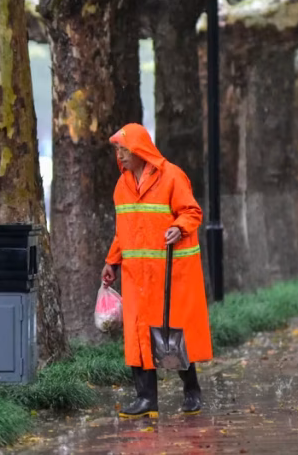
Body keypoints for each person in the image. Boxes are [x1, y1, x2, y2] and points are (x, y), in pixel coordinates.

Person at [101, 123, 213, 419]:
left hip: (168, 274)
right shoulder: (121, 186)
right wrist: (112, 261)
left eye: (123, 150)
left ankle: (191, 390)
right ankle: (146, 398)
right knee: (139, 336)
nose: (120, 156)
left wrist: (178, 227)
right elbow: (122, 231)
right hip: (136, 276)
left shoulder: (172, 177)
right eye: (117, 150)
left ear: (139, 150)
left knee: (172, 333)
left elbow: (192, 211)